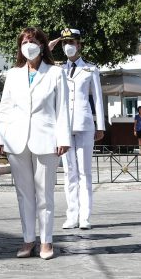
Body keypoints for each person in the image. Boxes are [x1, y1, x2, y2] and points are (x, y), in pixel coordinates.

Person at [0, 27, 72, 260]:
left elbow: (62, 108)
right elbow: (5, 108)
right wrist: (0, 137)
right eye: (24, 42)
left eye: (33, 41)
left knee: (45, 194)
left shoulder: (55, 73)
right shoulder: (13, 74)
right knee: (24, 194)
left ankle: (46, 241)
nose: (28, 45)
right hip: (16, 140)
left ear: (42, 45)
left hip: (46, 139)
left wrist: (63, 138)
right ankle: (28, 239)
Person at [50, 28, 105, 231]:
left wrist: (100, 125)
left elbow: (97, 98)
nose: (68, 46)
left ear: (79, 45)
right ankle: (71, 215)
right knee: (69, 172)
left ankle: (85, 217)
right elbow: (42, 60)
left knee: (84, 172)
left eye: (71, 42)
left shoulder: (90, 69)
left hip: (84, 125)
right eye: (65, 43)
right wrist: (50, 44)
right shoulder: (58, 69)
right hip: (64, 126)